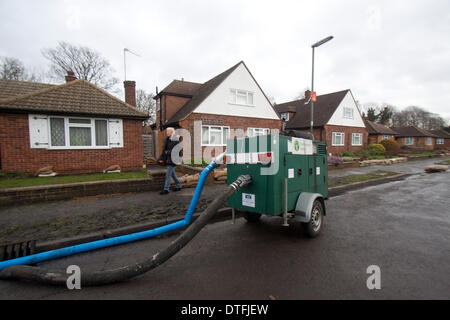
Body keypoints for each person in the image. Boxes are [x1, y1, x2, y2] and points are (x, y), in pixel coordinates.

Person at [158, 127, 182, 195]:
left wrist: (168, 152)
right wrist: (160, 158)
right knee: (172, 174)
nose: (167, 133)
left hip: (174, 159)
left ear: (172, 132)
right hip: (168, 159)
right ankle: (179, 186)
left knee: (168, 175)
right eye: (166, 131)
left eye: (168, 131)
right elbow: (164, 150)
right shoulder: (167, 140)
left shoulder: (176, 140)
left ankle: (166, 189)